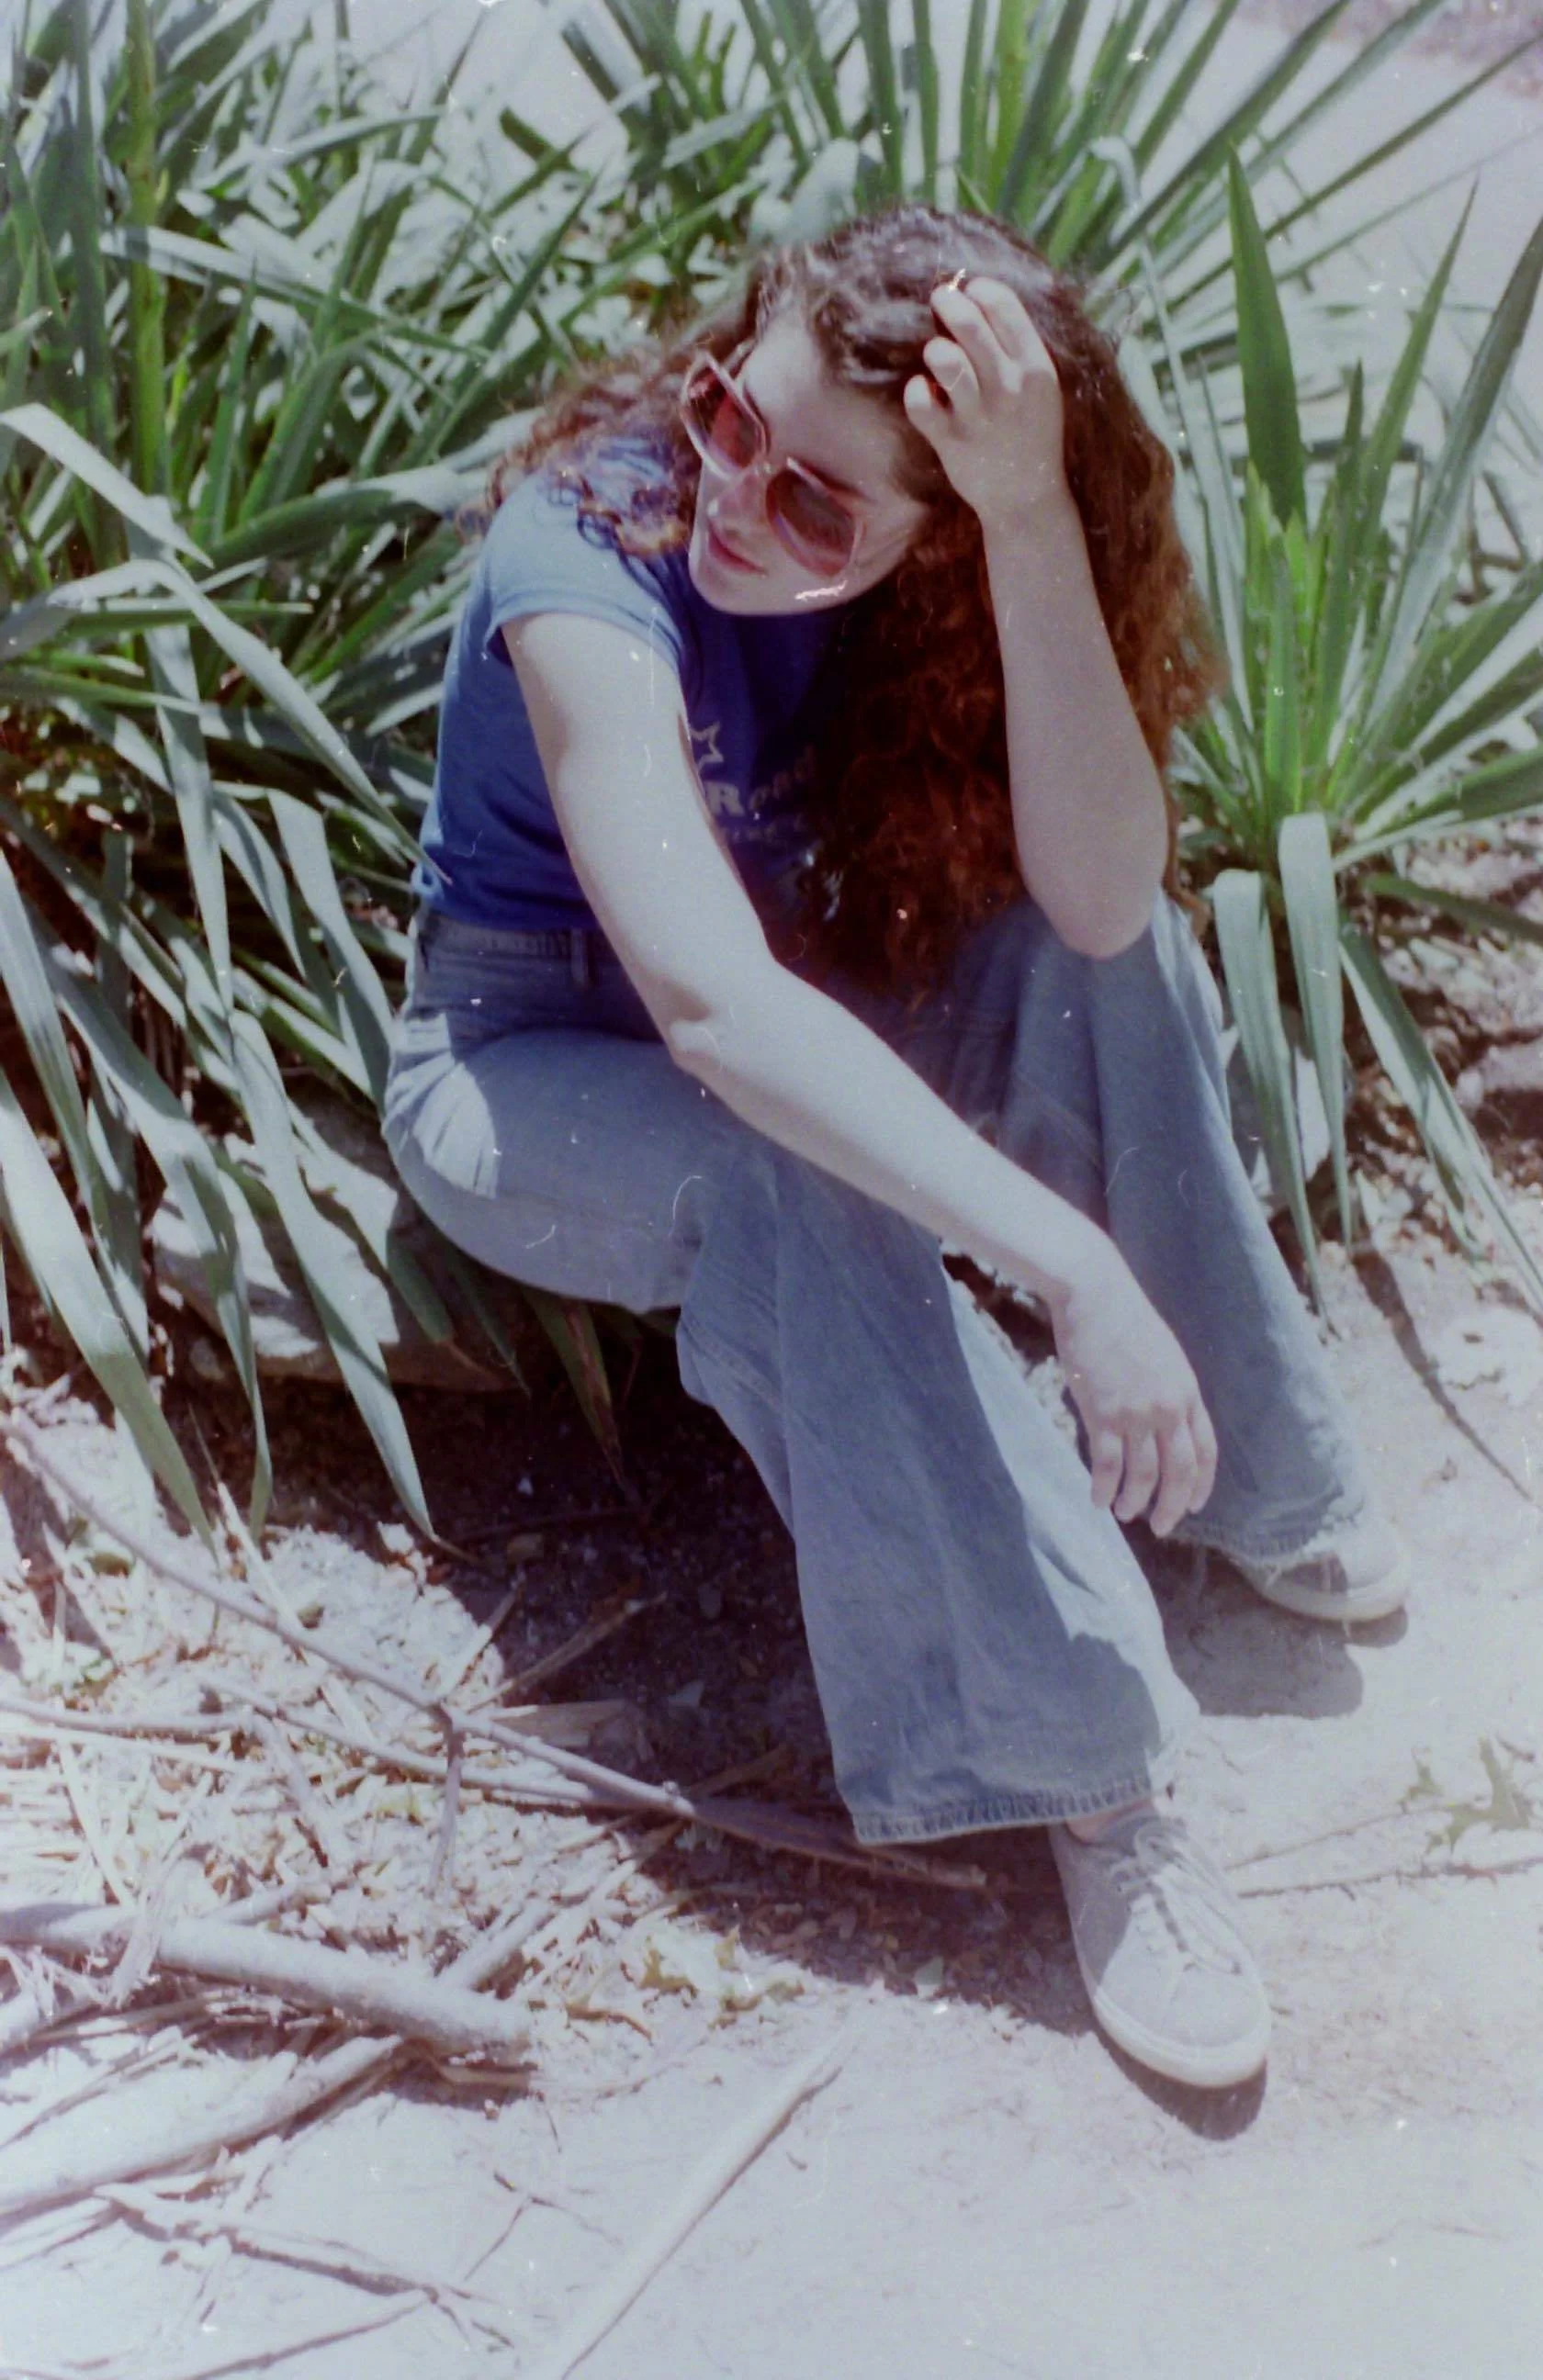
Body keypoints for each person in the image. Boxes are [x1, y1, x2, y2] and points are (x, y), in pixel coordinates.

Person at [384, 201, 1408, 2093]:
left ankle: (1251, 1474)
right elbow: (711, 1011)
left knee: (1099, 964)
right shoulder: (586, 546)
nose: (733, 499)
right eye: (728, 421)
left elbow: (1101, 901)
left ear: (929, 529)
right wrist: (1067, 1266)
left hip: (794, 987)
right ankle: (1093, 1778)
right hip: (527, 1058)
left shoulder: (937, 567)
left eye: (817, 503)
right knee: (792, 1151)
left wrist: (1024, 519)